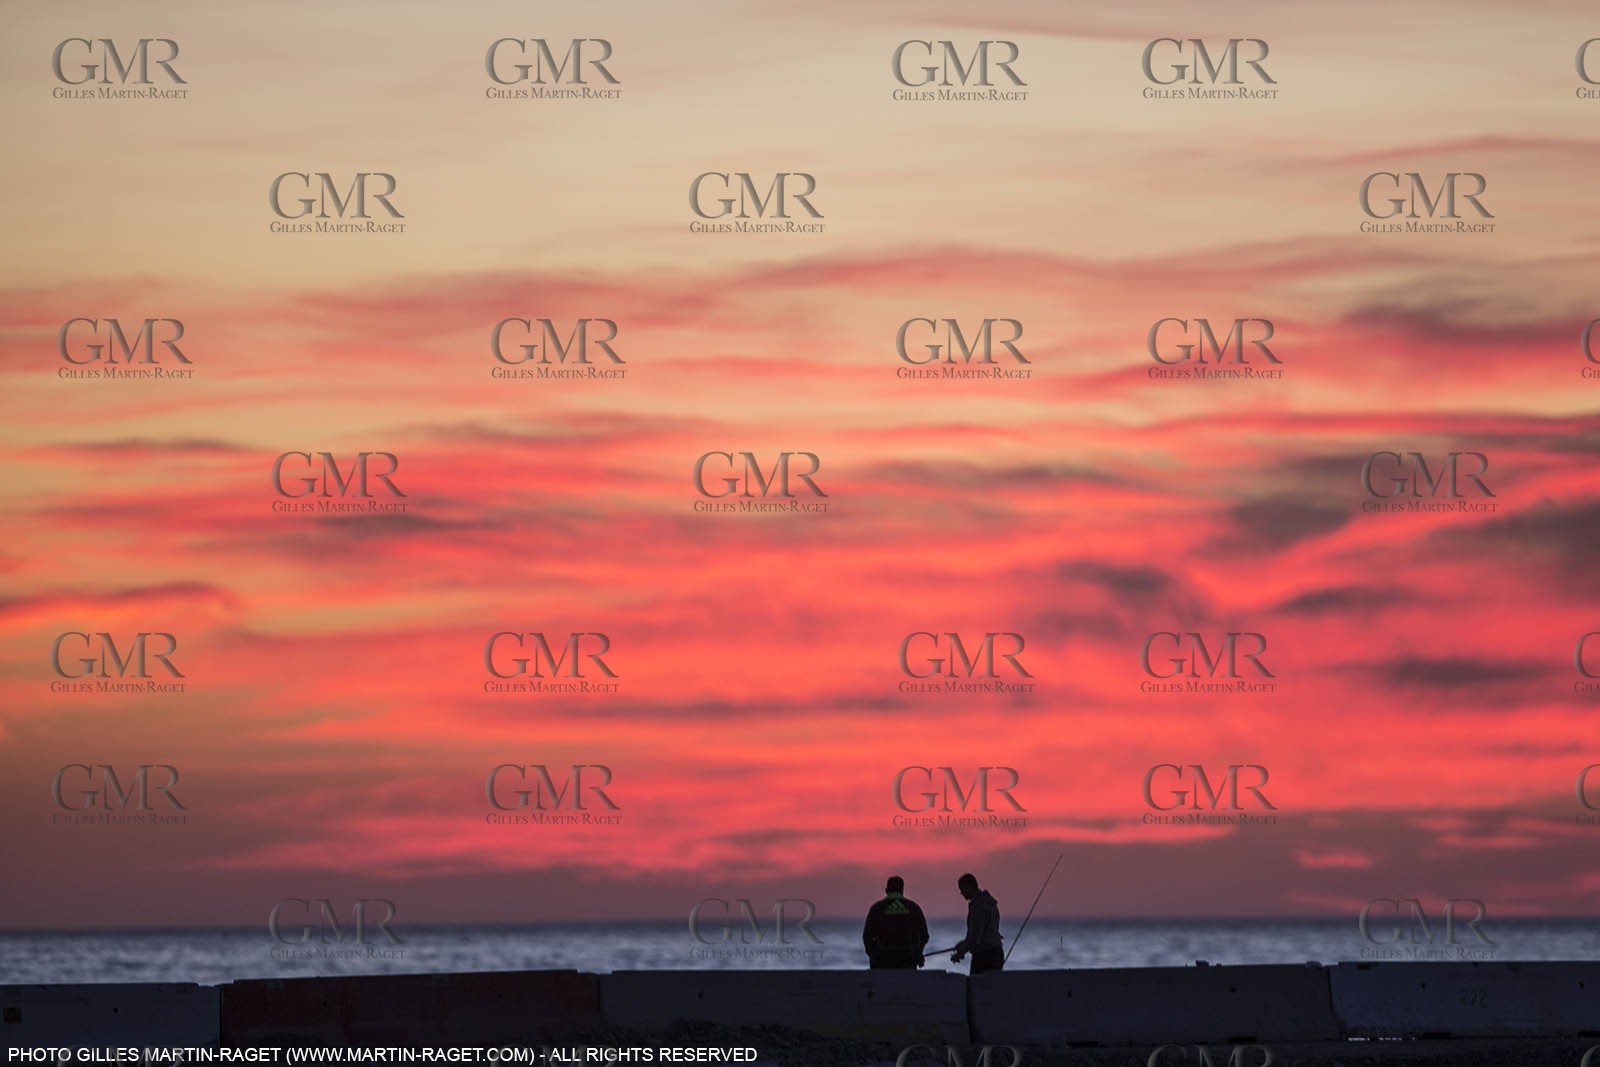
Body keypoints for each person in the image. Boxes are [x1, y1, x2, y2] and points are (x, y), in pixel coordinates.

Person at [862, 875, 930, 969]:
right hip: (908, 961)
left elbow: (867, 936)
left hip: (882, 961)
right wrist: (917, 953)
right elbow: (924, 936)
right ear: (902, 890)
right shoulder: (913, 907)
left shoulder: (876, 908)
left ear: (886, 890)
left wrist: (873, 955)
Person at [951, 872, 1004, 974]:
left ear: (969, 887)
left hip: (985, 956)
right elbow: (985, 933)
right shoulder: (989, 902)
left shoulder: (978, 906)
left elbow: (975, 938)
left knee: (977, 983)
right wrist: (963, 944)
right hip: (996, 953)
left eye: (962, 889)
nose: (961, 893)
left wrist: (960, 953)